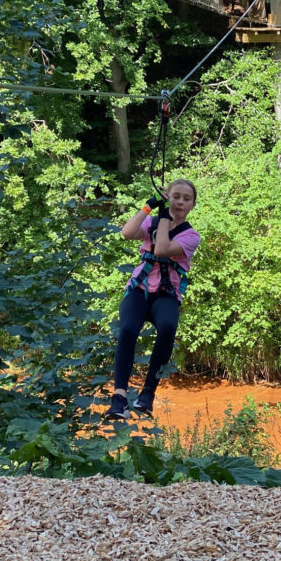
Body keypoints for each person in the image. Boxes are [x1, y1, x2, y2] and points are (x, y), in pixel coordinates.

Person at [105, 179, 200, 420]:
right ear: (168, 197)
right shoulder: (153, 222)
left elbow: (161, 249)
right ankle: (119, 397)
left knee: (168, 327)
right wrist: (150, 206)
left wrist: (163, 215)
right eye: (175, 196)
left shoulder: (191, 236)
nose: (180, 202)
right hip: (140, 288)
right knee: (128, 329)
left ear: (192, 205)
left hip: (166, 292)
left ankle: (148, 393)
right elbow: (127, 232)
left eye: (186, 199)